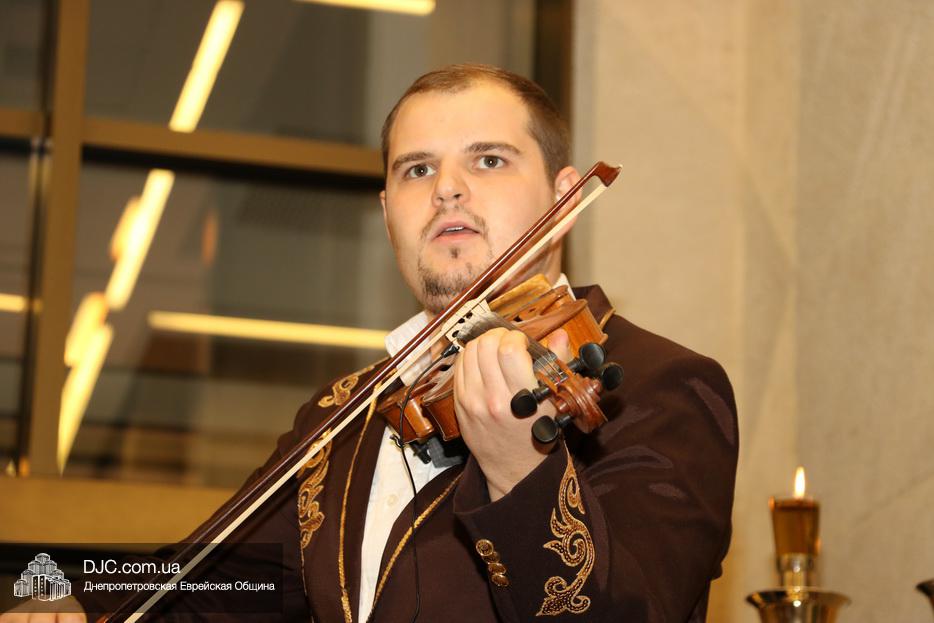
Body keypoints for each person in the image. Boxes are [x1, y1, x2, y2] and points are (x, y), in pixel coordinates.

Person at [3, 64, 738, 622]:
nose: (447, 189)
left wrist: (523, 472)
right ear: (389, 213)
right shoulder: (346, 413)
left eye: (488, 160)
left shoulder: (662, 385)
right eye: (418, 169)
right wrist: (75, 599)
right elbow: (216, 580)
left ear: (565, 197)